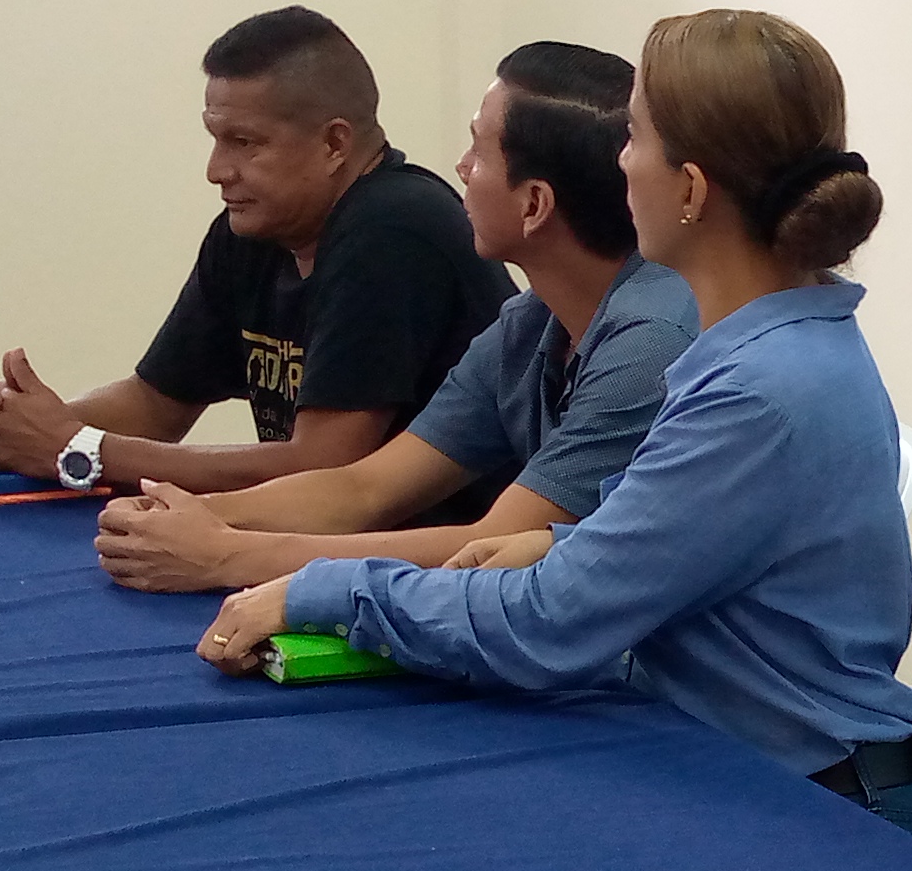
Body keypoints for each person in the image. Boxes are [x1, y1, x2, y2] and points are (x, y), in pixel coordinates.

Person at [198, 8, 912, 849]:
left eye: (635, 138)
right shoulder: (764, 348)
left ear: (691, 190)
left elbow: (545, 626)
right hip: (758, 780)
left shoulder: (757, 390)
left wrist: (322, 591)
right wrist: (560, 543)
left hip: (830, 819)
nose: (618, 162)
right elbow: (686, 543)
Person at [87, 51, 700, 592]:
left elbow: (496, 548)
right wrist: (193, 514)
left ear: (534, 203)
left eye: (478, 151)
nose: (461, 167)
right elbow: (365, 488)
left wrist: (229, 554)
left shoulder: (649, 343)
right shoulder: (531, 320)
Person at [0, 8, 507, 495]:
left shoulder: (394, 229)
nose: (216, 171)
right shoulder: (253, 232)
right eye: (215, 138)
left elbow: (325, 468)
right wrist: (10, 431)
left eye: (243, 142)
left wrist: (76, 449)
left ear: (335, 143)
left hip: (452, 561)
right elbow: (156, 404)